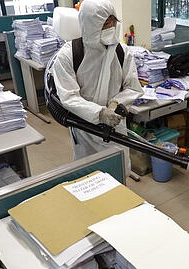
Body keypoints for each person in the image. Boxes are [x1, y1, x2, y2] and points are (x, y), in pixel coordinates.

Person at [50, 0, 142, 176]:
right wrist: (100, 113)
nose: (111, 27)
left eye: (113, 22)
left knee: (119, 171)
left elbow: (133, 87)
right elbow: (69, 97)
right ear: (90, 23)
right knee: (89, 176)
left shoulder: (122, 52)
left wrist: (116, 103)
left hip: (115, 126)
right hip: (85, 127)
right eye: (106, 23)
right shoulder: (68, 56)